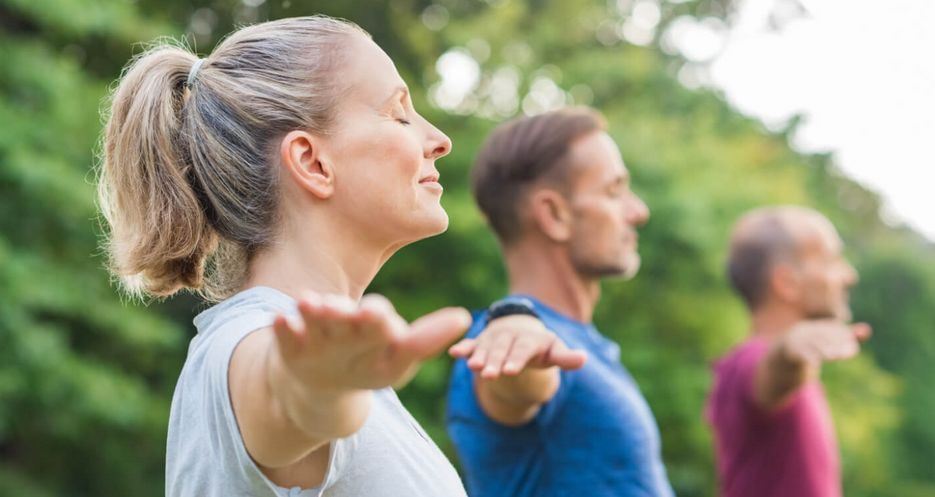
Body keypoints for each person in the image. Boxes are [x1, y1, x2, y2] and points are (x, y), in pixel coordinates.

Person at [98, 15, 473, 497]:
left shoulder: (333, 362)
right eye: (399, 113)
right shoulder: (249, 345)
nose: (439, 140)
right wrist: (316, 388)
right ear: (312, 163)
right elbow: (282, 395)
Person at [446, 107, 675, 497]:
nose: (638, 211)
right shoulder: (507, 344)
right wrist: (518, 333)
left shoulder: (582, 344)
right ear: (554, 214)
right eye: (614, 191)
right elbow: (517, 381)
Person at [706, 206, 870, 497]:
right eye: (831, 260)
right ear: (787, 283)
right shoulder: (747, 363)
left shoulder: (793, 372)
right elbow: (772, 369)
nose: (849, 275)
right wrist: (788, 348)